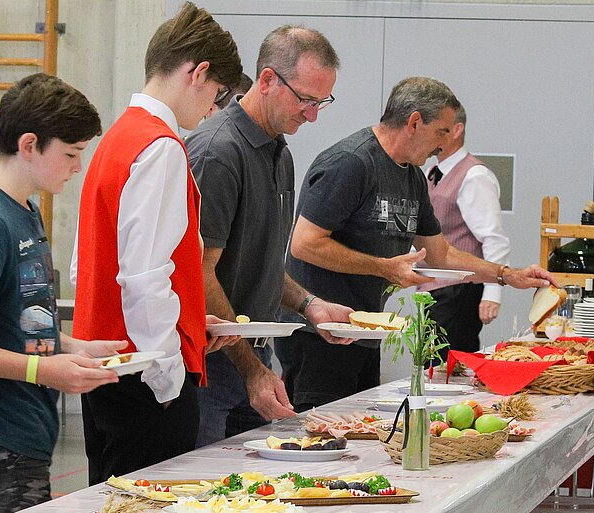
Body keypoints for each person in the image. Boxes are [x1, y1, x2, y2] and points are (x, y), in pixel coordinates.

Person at [285, 77, 556, 411]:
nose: (443, 145)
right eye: (442, 132)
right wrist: (383, 268)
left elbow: (440, 252)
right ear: (414, 122)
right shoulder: (352, 163)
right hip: (319, 334)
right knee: (320, 441)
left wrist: (505, 274)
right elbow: (305, 244)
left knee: (355, 438)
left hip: (362, 332)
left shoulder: (412, 176)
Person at [0, 73, 119, 512]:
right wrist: (41, 371)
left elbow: (12, 321)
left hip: (19, 421)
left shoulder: (25, 209)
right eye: (70, 154)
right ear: (29, 145)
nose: (76, 166)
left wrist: (74, 347)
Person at [70, 2, 243, 485]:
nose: (213, 109)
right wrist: (166, 376)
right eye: (218, 94)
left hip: (105, 363)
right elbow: (144, 278)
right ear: (198, 72)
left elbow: (88, 266)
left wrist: (187, 318)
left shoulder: (115, 138)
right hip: (146, 375)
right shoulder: (161, 145)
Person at [185, 25, 353, 447]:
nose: (312, 114)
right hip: (214, 367)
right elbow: (199, 274)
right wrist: (252, 370)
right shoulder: (218, 153)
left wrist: (310, 304)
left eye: (322, 103)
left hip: (253, 358)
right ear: (266, 80)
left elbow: (259, 267)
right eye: (306, 99)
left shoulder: (281, 153)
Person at [418, 103, 510, 356]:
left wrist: (493, 292)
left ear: (457, 129)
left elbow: (494, 238)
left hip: (458, 291)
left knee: (446, 367)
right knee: (432, 366)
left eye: (438, 129)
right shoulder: (431, 171)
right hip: (434, 289)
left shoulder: (474, 175)